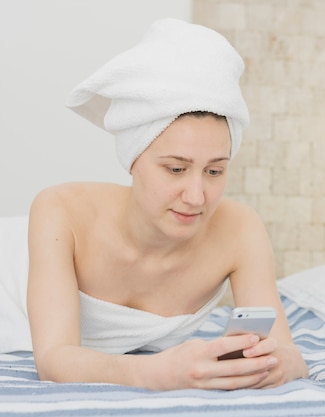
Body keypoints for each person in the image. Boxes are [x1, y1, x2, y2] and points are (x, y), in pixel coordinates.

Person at [26, 18, 308, 390]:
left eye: (214, 171)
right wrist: (160, 373)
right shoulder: (60, 211)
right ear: (133, 159)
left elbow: (290, 355)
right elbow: (52, 358)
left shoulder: (240, 229)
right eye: (176, 169)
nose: (196, 197)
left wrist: (270, 365)